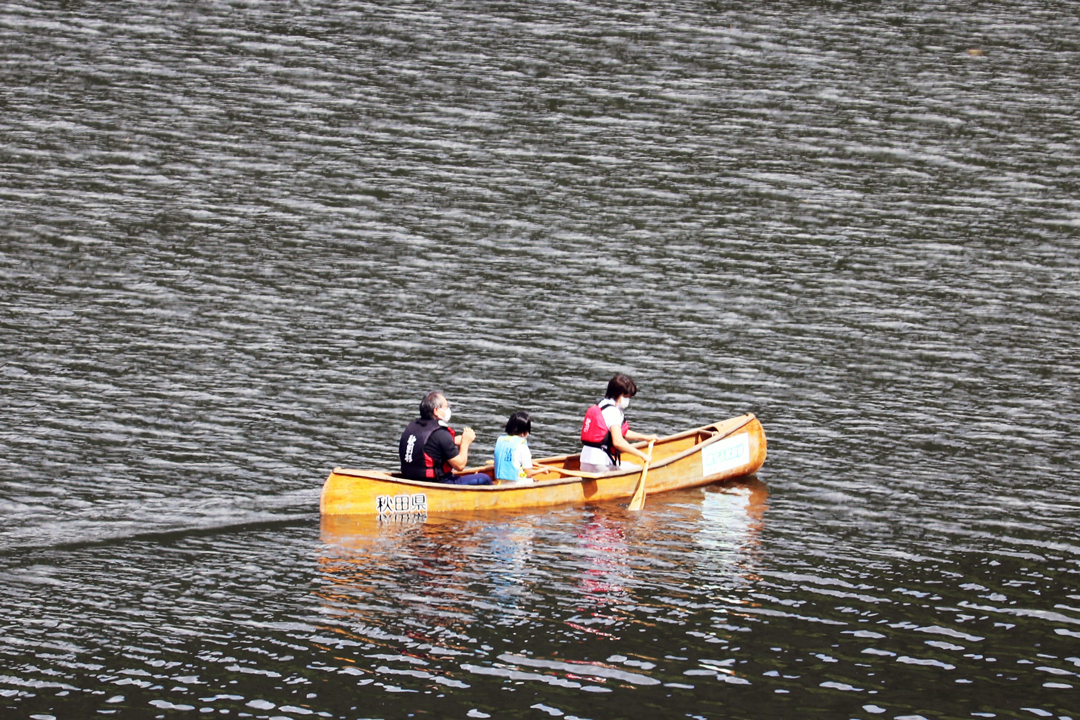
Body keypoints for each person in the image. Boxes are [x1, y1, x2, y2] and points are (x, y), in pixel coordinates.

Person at [399, 391, 493, 485]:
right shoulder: (441, 434)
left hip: (409, 478)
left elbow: (429, 446)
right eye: (446, 407)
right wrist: (465, 443)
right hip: (437, 482)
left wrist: (452, 441)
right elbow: (460, 466)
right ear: (436, 411)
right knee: (485, 478)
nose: (448, 410)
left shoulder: (412, 427)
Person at [579, 374, 659, 474]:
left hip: (584, 463)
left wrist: (645, 437)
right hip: (600, 465)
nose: (627, 400)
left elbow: (622, 432)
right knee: (640, 470)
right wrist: (642, 455)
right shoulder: (613, 412)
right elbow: (618, 442)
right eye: (625, 396)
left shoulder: (601, 405)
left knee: (626, 465)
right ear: (617, 394)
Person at [493, 411, 546, 483]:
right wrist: (543, 469)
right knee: (537, 481)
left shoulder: (502, 441)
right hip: (515, 484)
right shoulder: (522, 447)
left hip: (499, 482)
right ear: (525, 431)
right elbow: (529, 474)